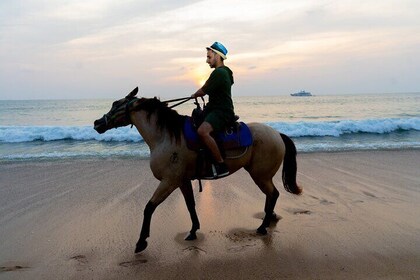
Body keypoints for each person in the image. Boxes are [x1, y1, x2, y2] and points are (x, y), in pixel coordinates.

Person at [191, 42, 235, 178]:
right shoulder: (227, 72)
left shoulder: (219, 73)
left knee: (202, 131)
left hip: (221, 111)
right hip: (216, 108)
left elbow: (203, 91)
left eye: (209, 57)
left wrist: (193, 95)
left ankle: (220, 165)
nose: (207, 60)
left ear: (217, 55)